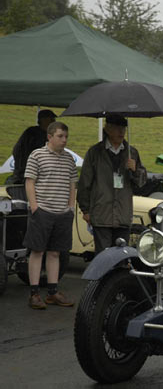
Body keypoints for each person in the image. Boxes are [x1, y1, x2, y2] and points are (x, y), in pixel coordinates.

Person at [23, 121, 77, 309]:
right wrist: (34, 206)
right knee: (37, 251)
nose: (64, 140)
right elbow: (30, 182)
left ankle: (53, 292)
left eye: (66, 137)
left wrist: (70, 207)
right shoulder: (37, 155)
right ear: (49, 136)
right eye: (60, 136)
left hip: (62, 212)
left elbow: (72, 184)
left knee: (55, 252)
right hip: (43, 210)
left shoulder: (69, 159)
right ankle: (34, 293)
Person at [77, 114, 147, 255]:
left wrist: (135, 170)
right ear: (107, 129)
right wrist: (85, 210)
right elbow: (85, 182)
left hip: (123, 215)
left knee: (121, 256)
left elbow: (141, 183)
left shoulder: (131, 152)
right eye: (117, 128)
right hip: (101, 213)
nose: (121, 132)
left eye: (123, 128)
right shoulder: (95, 152)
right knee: (103, 256)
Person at [8, 109, 57, 199]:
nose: (54, 123)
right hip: (27, 177)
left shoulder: (46, 135)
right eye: (52, 120)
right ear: (43, 120)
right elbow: (19, 152)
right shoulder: (32, 134)